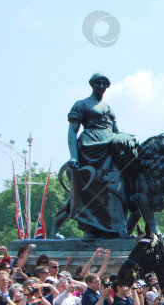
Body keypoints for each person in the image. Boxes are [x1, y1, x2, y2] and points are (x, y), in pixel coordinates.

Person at [59, 73, 138, 238]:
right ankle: (90, 229)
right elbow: (72, 132)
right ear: (92, 85)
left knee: (116, 185)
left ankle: (118, 226)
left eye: (104, 83)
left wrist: (129, 139)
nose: (101, 86)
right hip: (88, 150)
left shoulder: (109, 108)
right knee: (89, 189)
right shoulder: (81, 104)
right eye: (98, 83)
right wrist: (73, 156)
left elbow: (117, 132)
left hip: (109, 149)